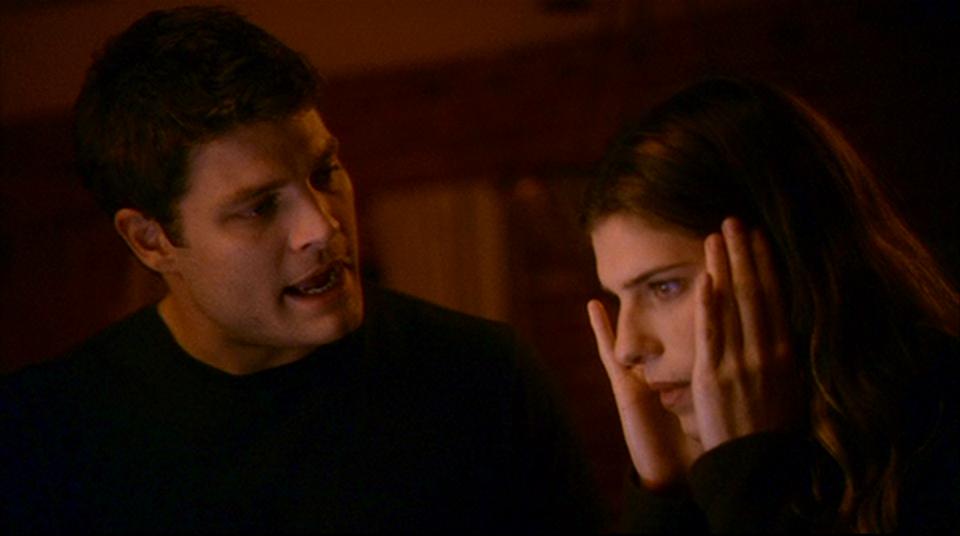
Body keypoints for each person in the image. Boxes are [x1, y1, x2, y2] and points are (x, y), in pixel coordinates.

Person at [0, 6, 601, 533]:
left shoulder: (484, 380)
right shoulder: (43, 437)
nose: (323, 225)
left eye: (324, 173)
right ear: (151, 241)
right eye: (259, 207)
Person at [580, 77, 959, 532]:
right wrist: (667, 495)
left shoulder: (938, 429)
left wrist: (749, 479)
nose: (627, 347)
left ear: (786, 264)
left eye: (664, 287)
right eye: (618, 297)